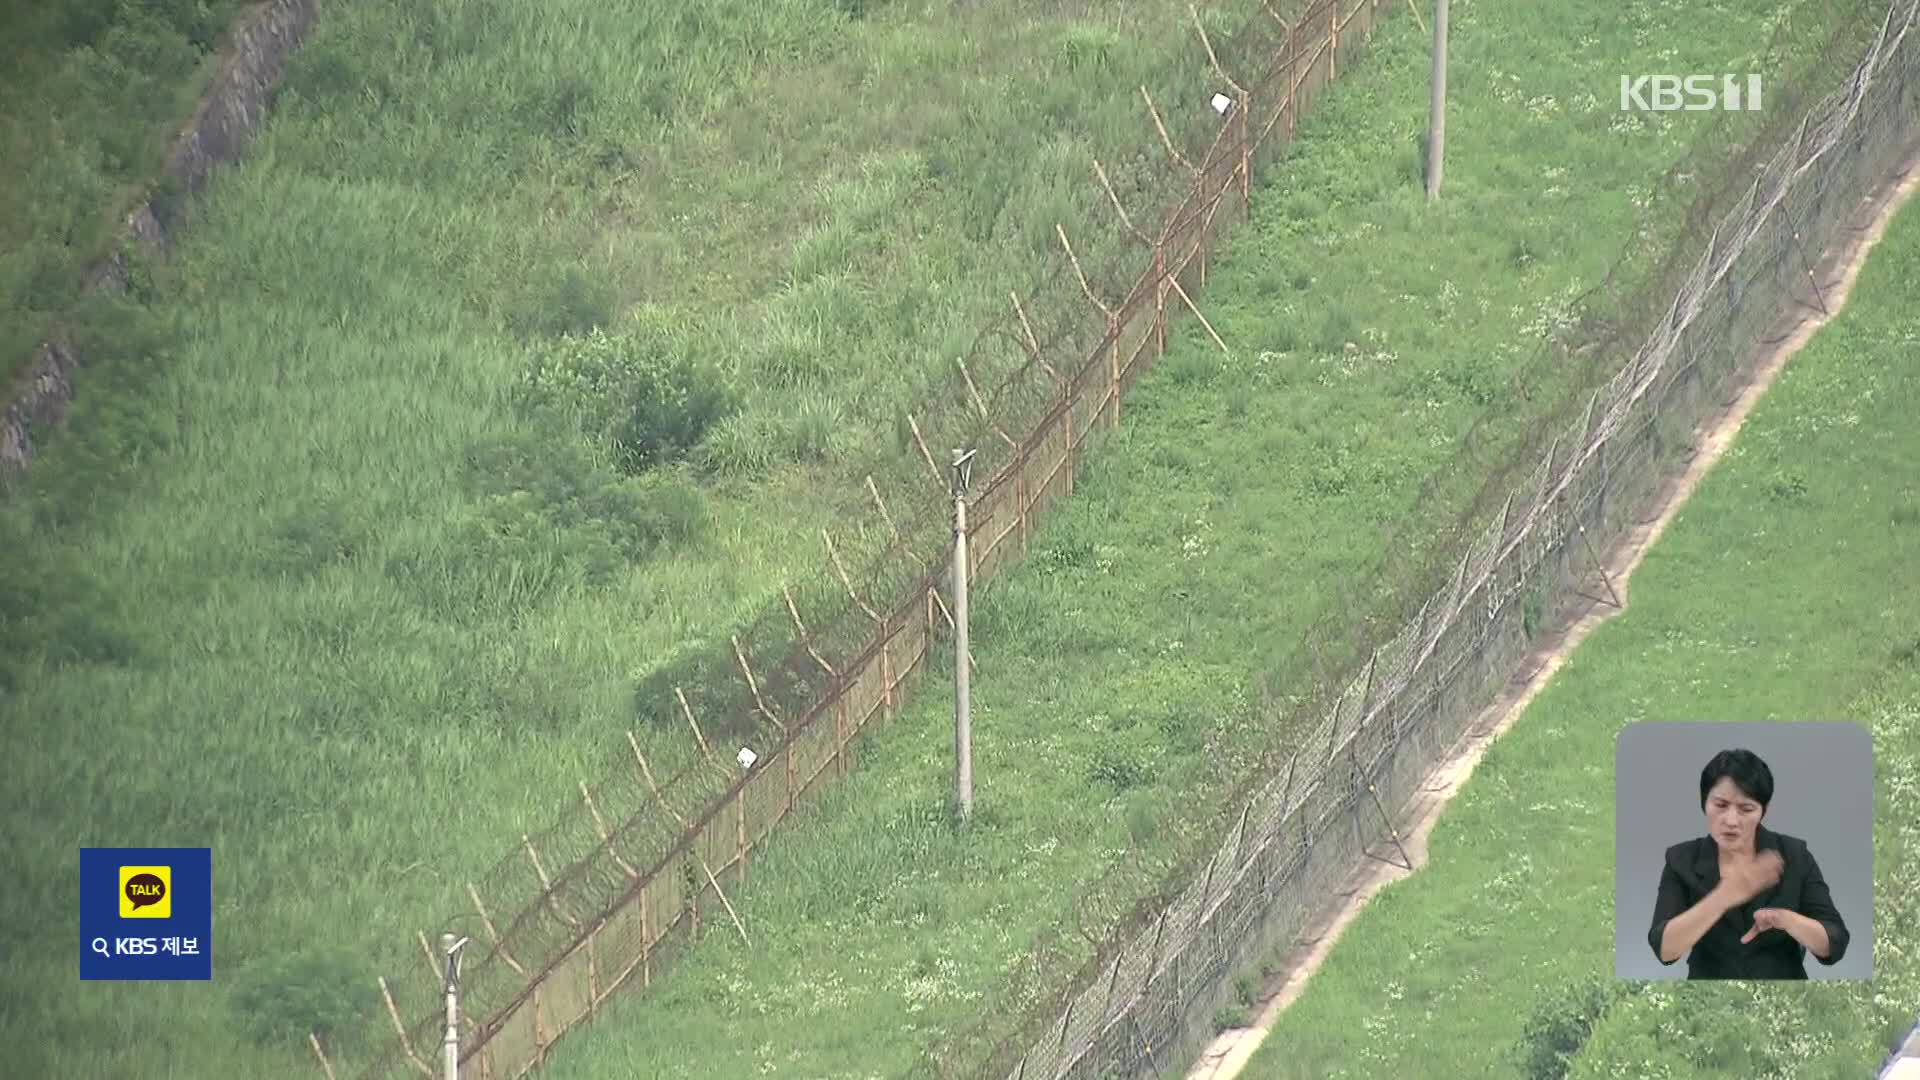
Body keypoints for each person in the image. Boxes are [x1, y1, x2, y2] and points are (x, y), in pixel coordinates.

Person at [1645, 748, 1849, 979]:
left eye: (1746, 809)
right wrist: (1724, 896)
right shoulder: (1681, 859)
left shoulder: (1794, 855)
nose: (1731, 821)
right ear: (1704, 803)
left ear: (1764, 811)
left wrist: (1787, 920)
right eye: (1720, 805)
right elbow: (1664, 949)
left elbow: (1836, 942)